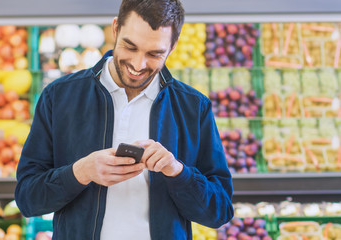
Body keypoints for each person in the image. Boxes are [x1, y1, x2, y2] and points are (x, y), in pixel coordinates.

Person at [15, 0, 234, 239]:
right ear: (115, 29)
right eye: (130, 47)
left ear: (172, 47)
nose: (138, 65)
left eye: (154, 54)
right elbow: (28, 200)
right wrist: (80, 172)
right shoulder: (59, 96)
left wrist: (178, 172)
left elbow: (219, 212)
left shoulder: (193, 107)